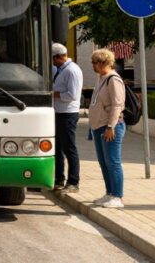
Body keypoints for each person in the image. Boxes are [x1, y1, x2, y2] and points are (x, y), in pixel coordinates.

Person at [88, 48, 126, 208]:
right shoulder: (101, 78)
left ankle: (117, 196)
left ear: (104, 62)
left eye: (95, 63)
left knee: (113, 161)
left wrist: (111, 126)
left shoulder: (113, 79)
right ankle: (109, 193)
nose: (93, 66)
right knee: (104, 162)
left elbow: (117, 105)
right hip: (99, 126)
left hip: (110, 127)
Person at [50, 43, 83, 193]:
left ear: (59, 57)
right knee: (58, 147)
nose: (52, 62)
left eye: (53, 59)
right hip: (58, 112)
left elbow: (73, 95)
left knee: (69, 147)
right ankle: (58, 178)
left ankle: (73, 181)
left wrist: (54, 94)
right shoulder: (60, 70)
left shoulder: (72, 70)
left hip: (68, 113)